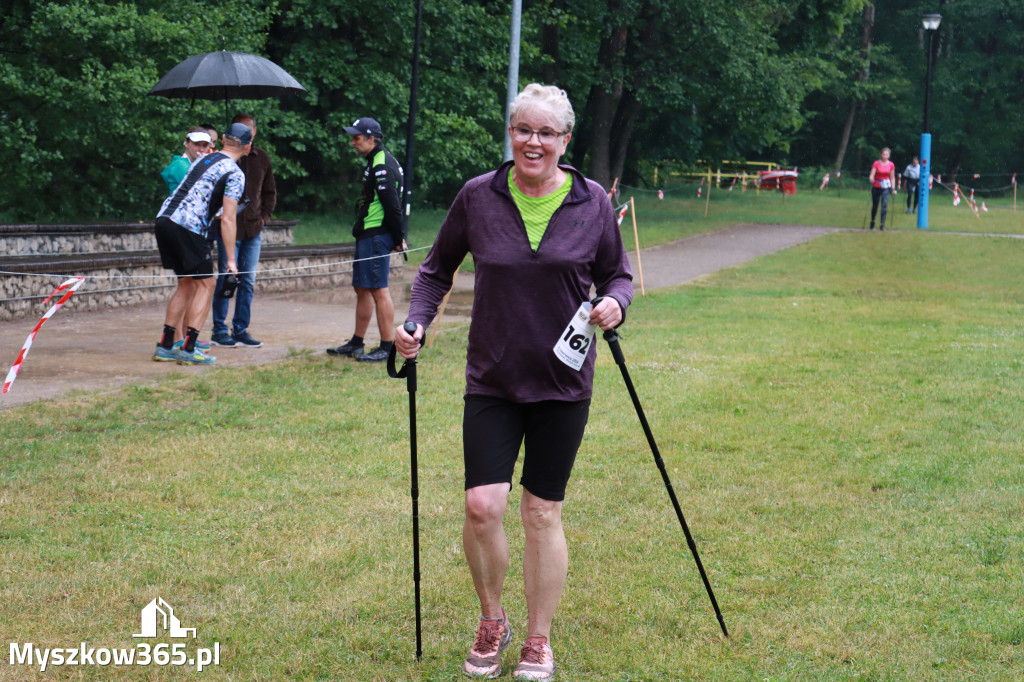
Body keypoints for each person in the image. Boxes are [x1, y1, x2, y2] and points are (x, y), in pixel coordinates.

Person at [395, 83, 633, 681]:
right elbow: (435, 271)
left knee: (541, 512)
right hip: (493, 378)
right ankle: (492, 619)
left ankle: (538, 639)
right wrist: (416, 321)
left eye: (546, 133)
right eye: (523, 129)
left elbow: (618, 275)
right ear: (511, 133)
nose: (533, 142)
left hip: (563, 381)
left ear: (564, 141)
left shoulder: (592, 203)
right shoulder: (479, 196)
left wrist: (615, 305)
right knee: (482, 506)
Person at [151, 123, 251, 365]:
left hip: (164, 220)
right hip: (188, 227)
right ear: (248, 147)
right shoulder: (236, 174)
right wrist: (230, 260)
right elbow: (227, 218)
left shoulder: (204, 159)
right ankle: (189, 348)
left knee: (186, 284)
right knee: (206, 285)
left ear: (224, 138)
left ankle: (165, 345)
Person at [326, 117, 406, 362]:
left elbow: (392, 205)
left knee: (378, 289)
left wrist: (398, 237)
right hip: (367, 234)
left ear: (372, 139)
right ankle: (357, 343)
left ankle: (386, 346)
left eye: (357, 138)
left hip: (376, 235)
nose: (353, 143)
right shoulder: (374, 161)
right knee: (362, 288)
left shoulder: (382, 164)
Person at [210, 114, 277, 349]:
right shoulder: (225, 160)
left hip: (253, 228)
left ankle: (241, 328)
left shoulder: (262, 158)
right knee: (227, 278)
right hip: (229, 228)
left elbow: (270, 192)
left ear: (254, 133)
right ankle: (219, 329)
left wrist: (263, 218)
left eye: (249, 130)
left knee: (248, 281)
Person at [160, 127, 212, 194]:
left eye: (205, 145)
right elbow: (200, 191)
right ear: (186, 143)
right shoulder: (180, 165)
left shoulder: (195, 164)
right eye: (196, 144)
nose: (201, 149)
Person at [868, 147, 897, 230]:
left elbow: (892, 177)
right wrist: (871, 178)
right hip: (876, 185)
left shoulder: (891, 165)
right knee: (875, 205)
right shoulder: (876, 163)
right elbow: (872, 174)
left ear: (889, 156)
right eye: (883, 154)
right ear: (881, 154)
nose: (885, 156)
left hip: (886, 187)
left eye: (886, 154)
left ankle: (882, 224)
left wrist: (893, 188)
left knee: (884, 205)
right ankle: (873, 221)